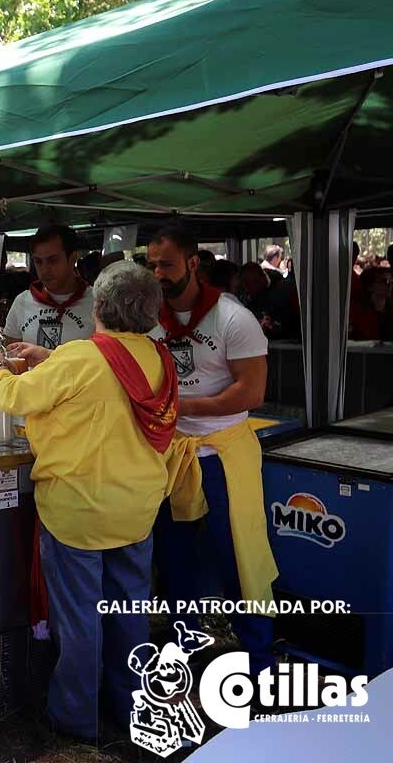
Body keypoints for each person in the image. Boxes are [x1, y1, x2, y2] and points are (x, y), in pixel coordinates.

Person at [0, 261, 179, 742]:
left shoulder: (79, 357)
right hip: (136, 511)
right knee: (130, 619)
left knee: (79, 624)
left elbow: (16, 397)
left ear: (99, 306)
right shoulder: (159, 357)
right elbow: (107, 377)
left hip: (78, 512)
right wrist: (47, 357)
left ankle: (75, 721)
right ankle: (131, 709)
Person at [145, 219, 277, 677]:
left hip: (223, 451)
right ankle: (184, 647)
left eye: (166, 265)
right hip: (172, 452)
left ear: (193, 262)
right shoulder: (148, 319)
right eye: (151, 265)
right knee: (174, 555)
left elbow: (252, 392)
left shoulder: (233, 318)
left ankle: (260, 659)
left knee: (238, 554)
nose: (157, 274)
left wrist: (176, 406)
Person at [3, 225, 95, 364]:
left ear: (72, 259)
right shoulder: (22, 301)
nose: (45, 269)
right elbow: (11, 356)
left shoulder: (98, 303)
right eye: (38, 261)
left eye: (53, 260)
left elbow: (105, 360)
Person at [349, 267, 393, 341]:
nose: (390, 285)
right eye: (385, 281)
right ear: (370, 286)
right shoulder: (358, 311)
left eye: (391, 281)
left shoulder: (390, 309)